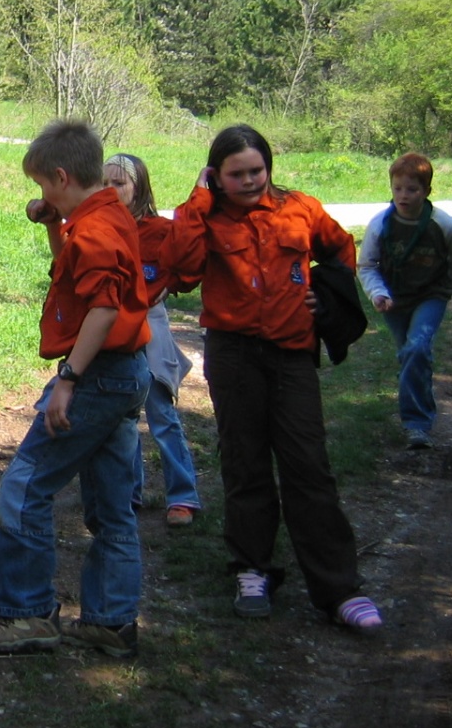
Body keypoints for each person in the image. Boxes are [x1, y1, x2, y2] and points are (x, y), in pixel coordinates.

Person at [164, 124, 383, 634]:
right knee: (245, 463)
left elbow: (339, 249)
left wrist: (325, 297)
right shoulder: (207, 216)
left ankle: (338, 589)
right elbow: (180, 268)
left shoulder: (300, 209)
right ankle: (252, 569)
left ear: (269, 167)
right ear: (217, 176)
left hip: (290, 355)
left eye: (256, 170)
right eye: (235, 174)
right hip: (234, 355)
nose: (249, 181)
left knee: (309, 466)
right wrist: (198, 199)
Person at [0, 120, 152, 659]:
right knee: (111, 504)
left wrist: (68, 380)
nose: (42, 194)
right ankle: (111, 621)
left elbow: (102, 306)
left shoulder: (94, 230)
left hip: (100, 375)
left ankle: (27, 615)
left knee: (24, 489)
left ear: (63, 175)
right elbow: (74, 275)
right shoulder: (108, 212)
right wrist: (54, 223)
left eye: (46, 185)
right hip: (127, 372)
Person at [103, 153, 203, 527]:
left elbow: (185, 265)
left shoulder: (159, 230)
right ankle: (129, 492)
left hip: (149, 322)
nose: (111, 190)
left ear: (138, 187)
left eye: (120, 183)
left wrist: (166, 287)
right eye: (106, 183)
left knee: (161, 413)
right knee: (121, 411)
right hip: (112, 326)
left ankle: (183, 496)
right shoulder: (102, 226)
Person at [357, 152, 452, 449]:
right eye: (398, 188)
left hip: (430, 295)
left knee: (418, 347)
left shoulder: (442, 225)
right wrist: (378, 293)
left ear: (426, 191)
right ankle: (418, 404)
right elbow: (367, 265)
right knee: (408, 354)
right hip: (394, 300)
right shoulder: (380, 224)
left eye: (412, 189)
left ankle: (416, 425)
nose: (403, 195)